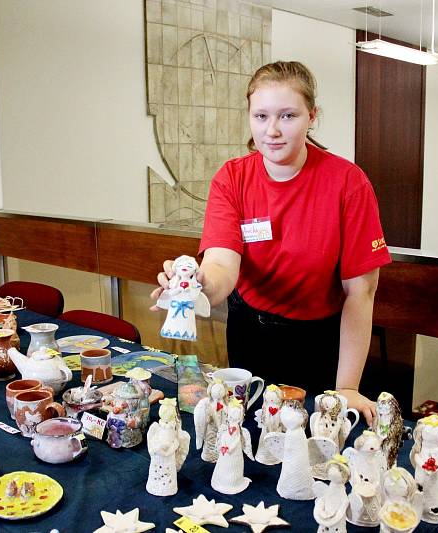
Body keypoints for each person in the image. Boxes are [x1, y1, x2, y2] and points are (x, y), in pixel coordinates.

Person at [151, 61, 391, 424]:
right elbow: (221, 265)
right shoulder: (232, 179)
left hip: (321, 340)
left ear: (312, 116)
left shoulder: (348, 183)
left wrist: (346, 387)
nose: (273, 130)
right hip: (251, 332)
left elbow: (361, 292)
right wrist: (195, 285)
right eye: (261, 116)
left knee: (313, 441)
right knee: (249, 432)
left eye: (288, 115)